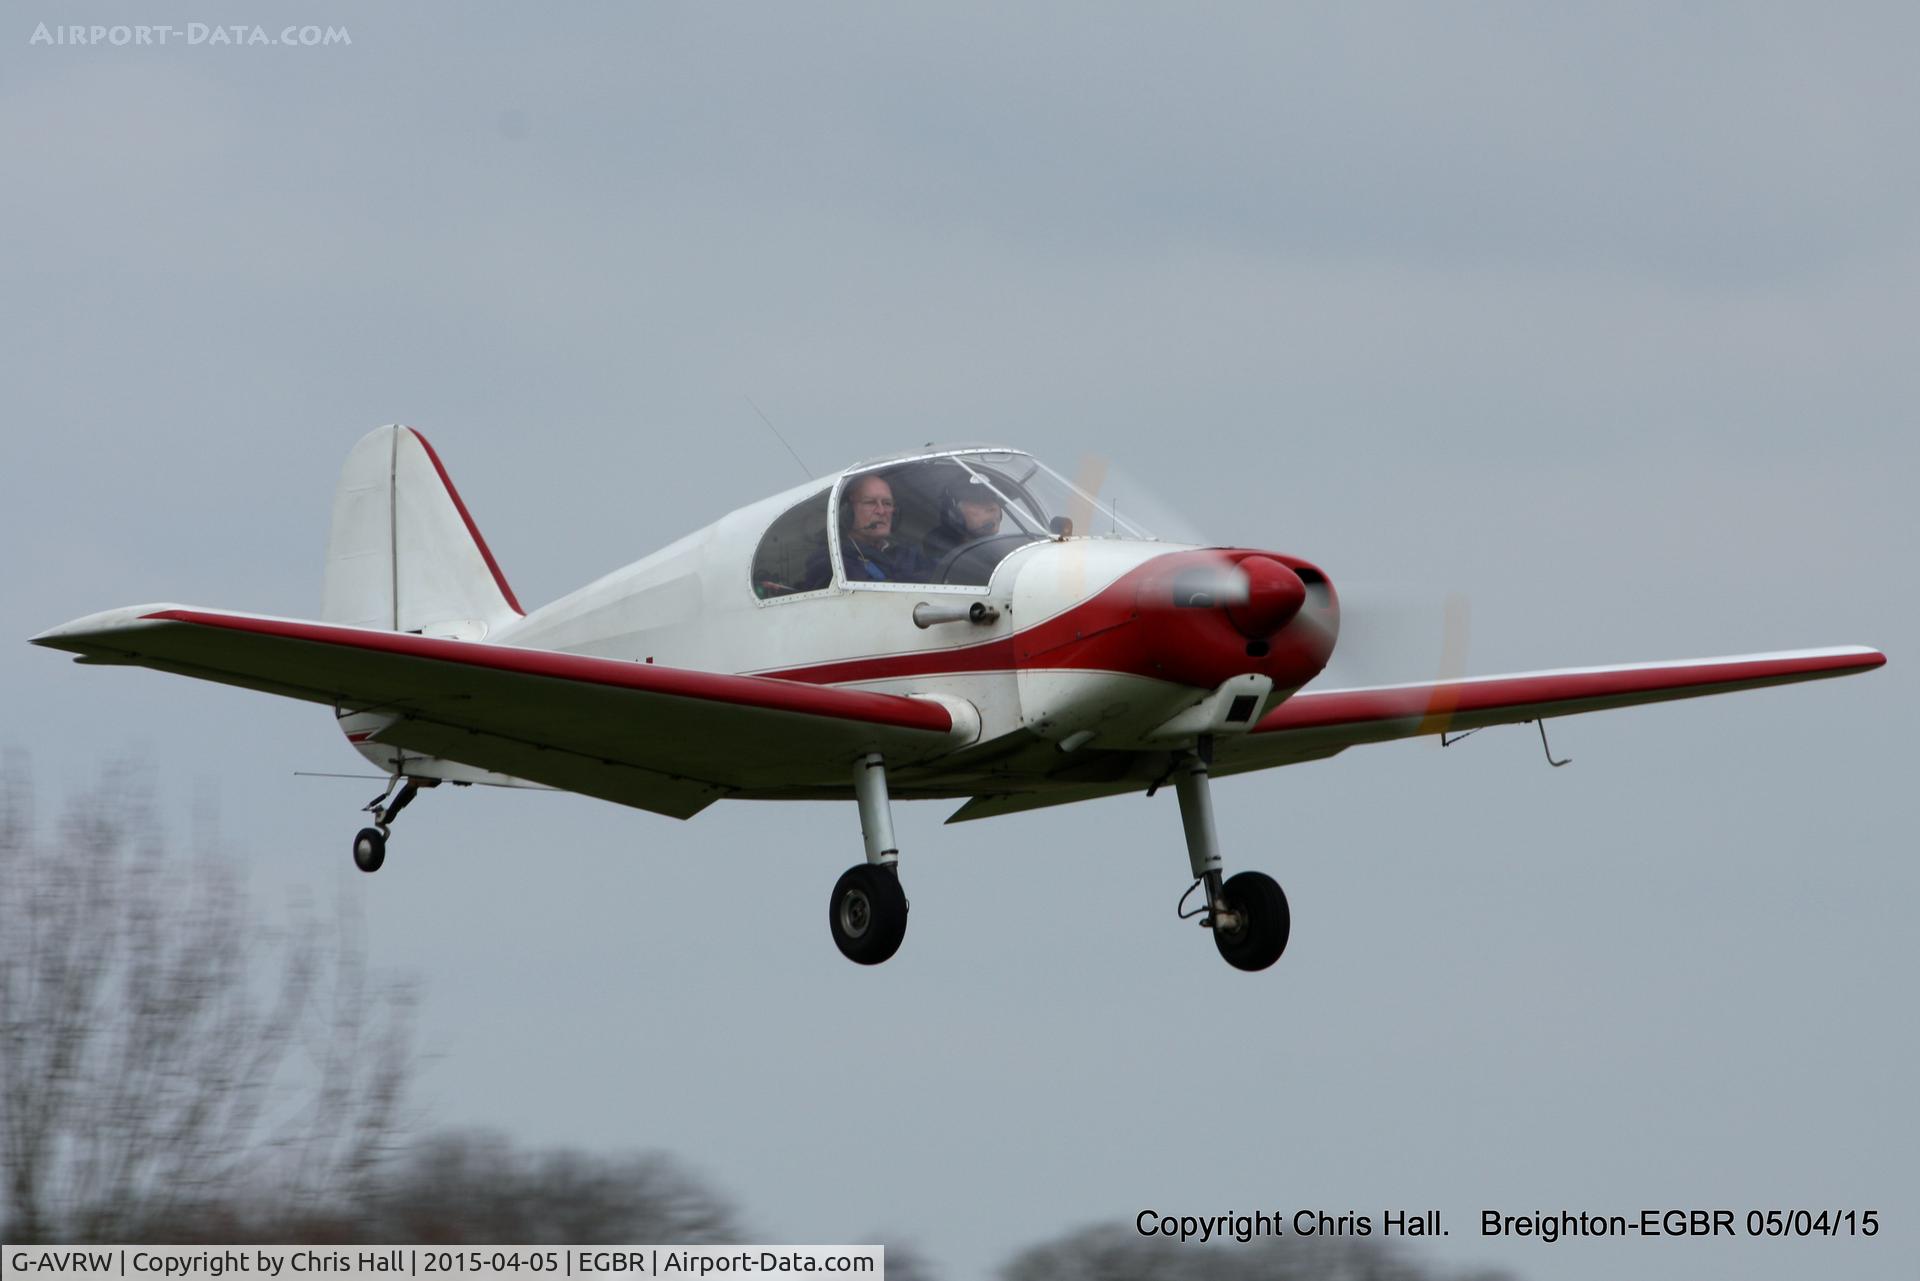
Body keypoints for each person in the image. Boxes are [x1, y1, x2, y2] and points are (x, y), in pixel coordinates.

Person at [813, 473, 931, 584]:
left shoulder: (908, 553)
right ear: (848, 512)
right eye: (870, 502)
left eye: (887, 503)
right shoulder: (834, 564)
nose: (881, 511)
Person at [922, 475, 1006, 562]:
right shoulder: (939, 551)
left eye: (993, 499)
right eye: (978, 502)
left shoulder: (1008, 548)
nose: (993, 508)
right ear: (954, 514)